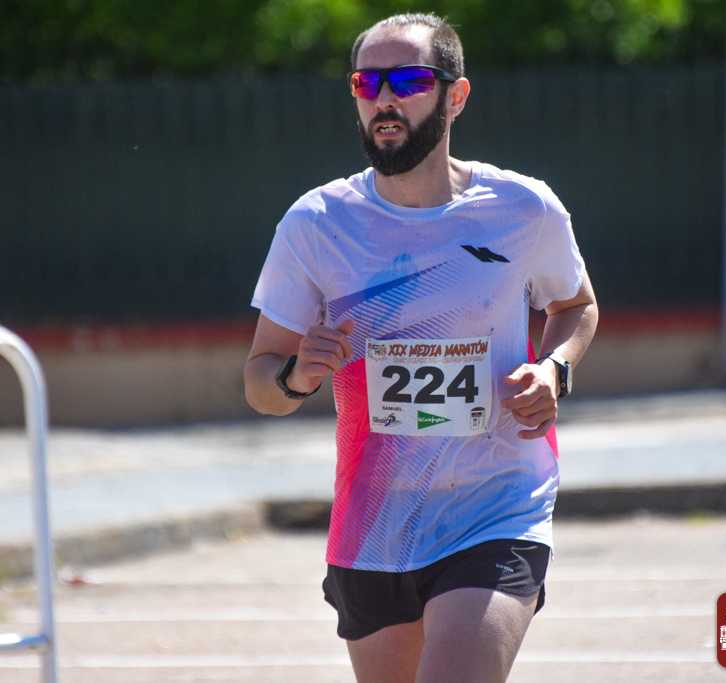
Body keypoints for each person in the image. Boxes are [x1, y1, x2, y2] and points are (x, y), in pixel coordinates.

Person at [244, 12, 598, 683]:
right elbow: (259, 383)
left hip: (497, 505)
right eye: (366, 82)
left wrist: (553, 369)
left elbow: (575, 306)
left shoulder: (523, 209)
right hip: (375, 524)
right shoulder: (316, 223)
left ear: (454, 96)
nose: (384, 98)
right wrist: (295, 376)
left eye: (407, 81)